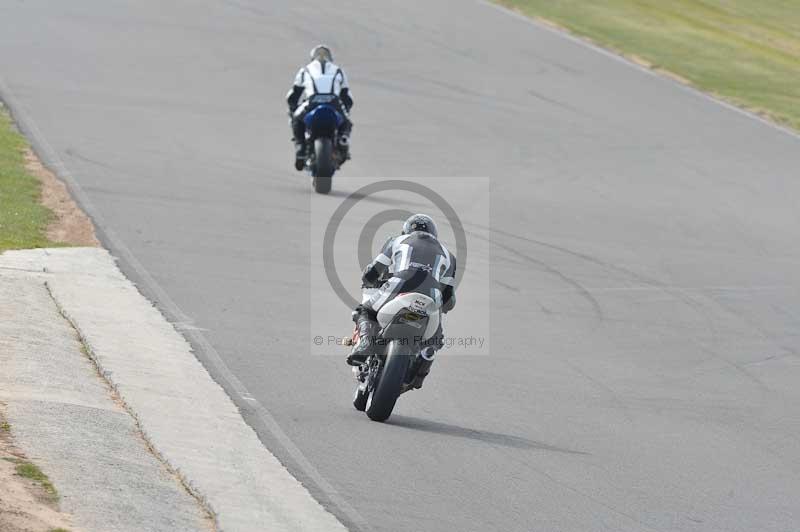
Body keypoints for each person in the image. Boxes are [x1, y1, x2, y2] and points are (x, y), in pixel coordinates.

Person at [347, 214, 457, 388]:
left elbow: (373, 272)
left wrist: (369, 280)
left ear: (405, 230)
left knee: (365, 311)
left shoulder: (396, 240)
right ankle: (423, 362)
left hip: (399, 285)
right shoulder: (449, 256)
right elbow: (449, 298)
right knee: (435, 339)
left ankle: (366, 344)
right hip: (432, 296)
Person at [286, 45, 353, 171]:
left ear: (312, 58)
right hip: (334, 102)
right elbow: (348, 98)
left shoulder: (305, 70)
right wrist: (346, 112)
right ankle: (343, 139)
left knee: (296, 118)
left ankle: (300, 147)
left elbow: (292, 96)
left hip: (312, 102)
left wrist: (292, 109)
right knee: (347, 121)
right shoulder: (338, 70)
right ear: (330, 58)